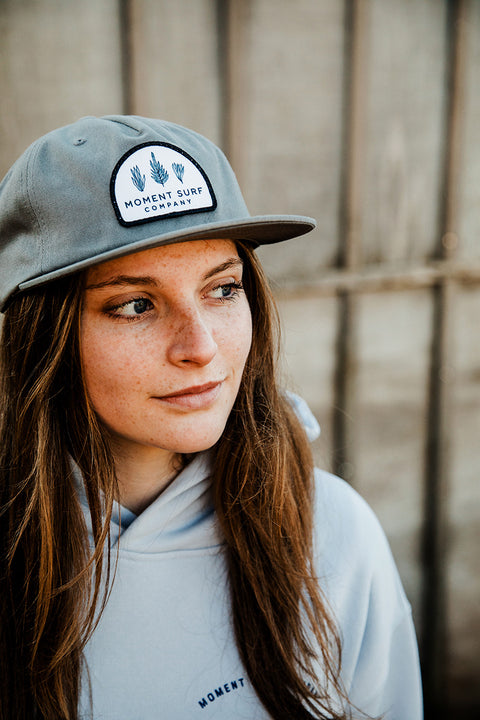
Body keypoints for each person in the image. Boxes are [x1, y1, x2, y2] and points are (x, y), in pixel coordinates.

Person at [0, 115, 423, 720]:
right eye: (136, 304)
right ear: (42, 339)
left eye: (223, 289)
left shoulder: (330, 534)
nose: (199, 345)